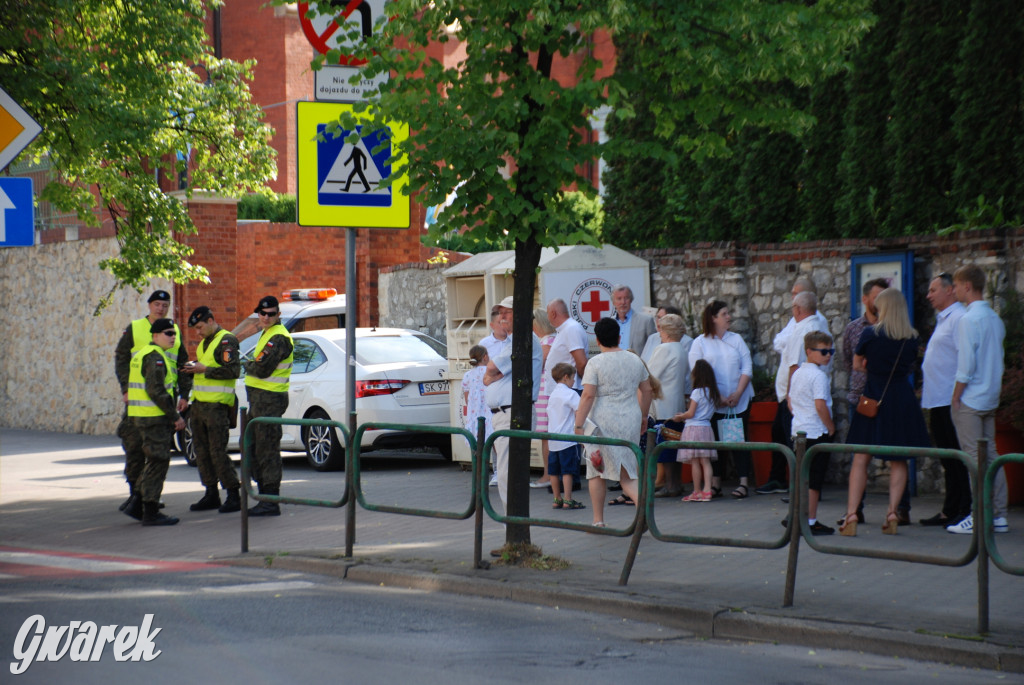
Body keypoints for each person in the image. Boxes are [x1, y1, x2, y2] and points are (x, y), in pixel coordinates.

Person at [840, 289, 930, 536]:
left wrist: (871, 365)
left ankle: (850, 516)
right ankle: (892, 512)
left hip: (873, 398)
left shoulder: (871, 333)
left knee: (861, 456)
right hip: (901, 399)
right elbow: (910, 367)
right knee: (898, 458)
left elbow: (858, 364)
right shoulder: (911, 337)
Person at [946, 265, 1009, 535]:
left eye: (957, 286)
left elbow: (966, 365)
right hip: (990, 395)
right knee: (992, 455)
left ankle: (978, 515)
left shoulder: (968, 320)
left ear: (967, 287)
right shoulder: (995, 318)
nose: (955, 290)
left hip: (971, 398)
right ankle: (999, 514)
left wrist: (956, 396)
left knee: (974, 458)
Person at [114, 290, 190, 512]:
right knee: (136, 448)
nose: (161, 308)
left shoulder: (173, 331)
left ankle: (146, 498)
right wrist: (126, 388)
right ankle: (137, 496)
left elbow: (182, 364)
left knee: (157, 453)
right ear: (149, 306)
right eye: (157, 304)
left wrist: (184, 394)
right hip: (141, 403)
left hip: (163, 404)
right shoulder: (136, 328)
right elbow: (121, 358)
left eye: (165, 304)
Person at [573, 317, 653, 528]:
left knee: (596, 471)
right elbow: (647, 389)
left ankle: (598, 521)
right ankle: (642, 512)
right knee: (628, 474)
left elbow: (588, 395)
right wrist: (644, 416)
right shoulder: (634, 360)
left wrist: (578, 425)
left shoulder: (595, 363)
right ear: (619, 337)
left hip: (602, 421)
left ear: (597, 340)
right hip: (630, 418)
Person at [760, 279, 829, 495]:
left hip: (797, 397)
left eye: (795, 295)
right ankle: (784, 482)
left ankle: (801, 490)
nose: (791, 300)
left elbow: (795, 364)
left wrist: (791, 395)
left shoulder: (811, 325)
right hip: (790, 395)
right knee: (781, 435)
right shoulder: (798, 324)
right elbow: (779, 342)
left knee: (798, 443)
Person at [836, 277, 890, 525]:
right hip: (860, 398)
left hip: (888, 399)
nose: (880, 302)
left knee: (896, 451)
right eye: (876, 297)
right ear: (865, 299)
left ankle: (901, 509)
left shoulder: (893, 326)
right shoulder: (853, 328)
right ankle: (856, 509)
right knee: (860, 454)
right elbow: (848, 361)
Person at [687, 300, 754, 499]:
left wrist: (738, 393)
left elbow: (747, 367)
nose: (729, 317)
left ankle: (743, 482)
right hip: (714, 402)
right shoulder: (699, 343)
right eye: (724, 313)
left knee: (739, 440)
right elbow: (697, 372)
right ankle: (715, 483)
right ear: (713, 318)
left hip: (739, 400)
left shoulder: (737, 340)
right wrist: (719, 397)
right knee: (714, 440)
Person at [918, 273, 971, 528]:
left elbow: (965, 358)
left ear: (950, 290)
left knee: (957, 456)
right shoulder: (945, 319)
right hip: (937, 398)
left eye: (933, 290)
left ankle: (964, 508)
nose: (929, 295)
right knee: (948, 458)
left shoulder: (959, 318)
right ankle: (950, 509)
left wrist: (957, 396)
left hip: (950, 399)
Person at [482, 295, 543, 514]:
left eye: (508, 311)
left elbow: (490, 369)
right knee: (507, 471)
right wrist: (492, 374)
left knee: (509, 472)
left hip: (512, 412)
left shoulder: (522, 339)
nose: (503, 316)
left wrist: (492, 374)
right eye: (501, 312)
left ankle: (514, 525)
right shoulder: (511, 341)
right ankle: (514, 524)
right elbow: (489, 373)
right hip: (505, 413)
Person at [124, 318, 186, 526]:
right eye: (168, 333)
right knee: (158, 462)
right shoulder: (155, 358)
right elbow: (156, 391)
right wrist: (175, 416)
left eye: (174, 333)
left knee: (152, 461)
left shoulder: (146, 354)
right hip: (153, 418)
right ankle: (150, 511)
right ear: (155, 336)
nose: (173, 337)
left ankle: (137, 503)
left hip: (143, 416)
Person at [180, 306, 242, 514]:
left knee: (217, 452)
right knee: (202, 452)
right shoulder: (205, 342)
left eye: (199, 327)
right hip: (199, 405)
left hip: (217, 407)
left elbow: (233, 370)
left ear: (210, 320)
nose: (197, 332)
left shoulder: (226, 340)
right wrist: (192, 369)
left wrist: (203, 369)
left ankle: (233, 493)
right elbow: (205, 368)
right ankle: (211, 493)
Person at [243, 295, 294, 517]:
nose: (265, 317)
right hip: (259, 400)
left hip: (269, 400)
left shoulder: (279, 338)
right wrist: (252, 365)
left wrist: (247, 364)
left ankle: (270, 500)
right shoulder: (267, 333)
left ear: (278, 315)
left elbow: (262, 369)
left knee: (267, 450)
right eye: (262, 313)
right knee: (256, 450)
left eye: (271, 314)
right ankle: (265, 496)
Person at [785, 330, 837, 535]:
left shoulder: (798, 373)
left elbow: (791, 400)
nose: (828, 355)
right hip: (816, 431)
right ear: (809, 351)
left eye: (830, 351)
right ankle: (810, 520)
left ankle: (795, 515)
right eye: (823, 351)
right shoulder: (818, 376)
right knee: (814, 481)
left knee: (800, 477)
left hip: (798, 430)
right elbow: (820, 405)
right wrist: (830, 426)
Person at [647, 313, 691, 498]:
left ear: (665, 331)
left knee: (665, 447)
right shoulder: (680, 348)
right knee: (674, 446)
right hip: (677, 403)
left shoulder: (663, 349)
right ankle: (676, 483)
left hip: (663, 404)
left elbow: (650, 374)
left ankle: (670, 485)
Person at [675, 359, 720, 502]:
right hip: (706, 428)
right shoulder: (713, 393)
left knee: (695, 462)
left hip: (693, 428)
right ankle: (708, 490)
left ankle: (697, 491)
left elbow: (691, 413)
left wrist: (680, 416)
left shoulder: (697, 393)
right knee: (706, 461)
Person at [546, 362, 585, 510]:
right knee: (568, 471)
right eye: (573, 378)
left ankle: (557, 498)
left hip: (553, 439)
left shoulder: (553, 394)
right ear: (565, 377)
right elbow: (580, 411)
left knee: (554, 471)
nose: (574, 381)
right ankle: (568, 499)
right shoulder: (570, 393)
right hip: (567, 438)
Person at [531, 308, 558, 488]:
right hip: (545, 393)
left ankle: (548, 475)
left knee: (546, 437)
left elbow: (537, 363)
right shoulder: (551, 340)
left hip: (544, 394)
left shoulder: (546, 342)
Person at [545, 297, 589, 387]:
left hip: (570, 390)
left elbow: (582, 362)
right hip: (563, 391)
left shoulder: (571, 328)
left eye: (547, 314)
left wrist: (582, 384)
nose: (547, 317)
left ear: (553, 314)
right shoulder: (565, 329)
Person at [461, 345, 493, 448]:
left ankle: (478, 463)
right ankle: (495, 464)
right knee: (493, 442)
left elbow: (467, 399)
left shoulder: (467, 375)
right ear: (485, 357)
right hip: (490, 413)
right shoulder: (490, 372)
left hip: (474, 414)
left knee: (476, 444)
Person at [611, 284, 657, 354]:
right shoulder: (610, 323)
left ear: (631, 300)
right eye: (619, 299)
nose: (623, 302)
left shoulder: (646, 321)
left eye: (626, 298)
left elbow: (654, 347)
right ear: (613, 302)